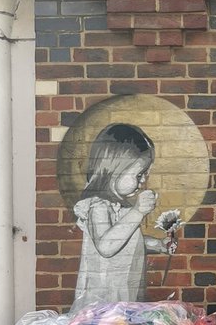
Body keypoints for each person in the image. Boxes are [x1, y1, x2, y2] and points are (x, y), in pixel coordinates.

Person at [71, 123, 173, 310]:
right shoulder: (97, 206)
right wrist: (137, 212)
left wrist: (158, 245)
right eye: (139, 174)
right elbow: (106, 246)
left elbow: (130, 240)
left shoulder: (123, 206)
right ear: (114, 169)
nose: (143, 181)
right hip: (103, 299)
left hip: (127, 292)